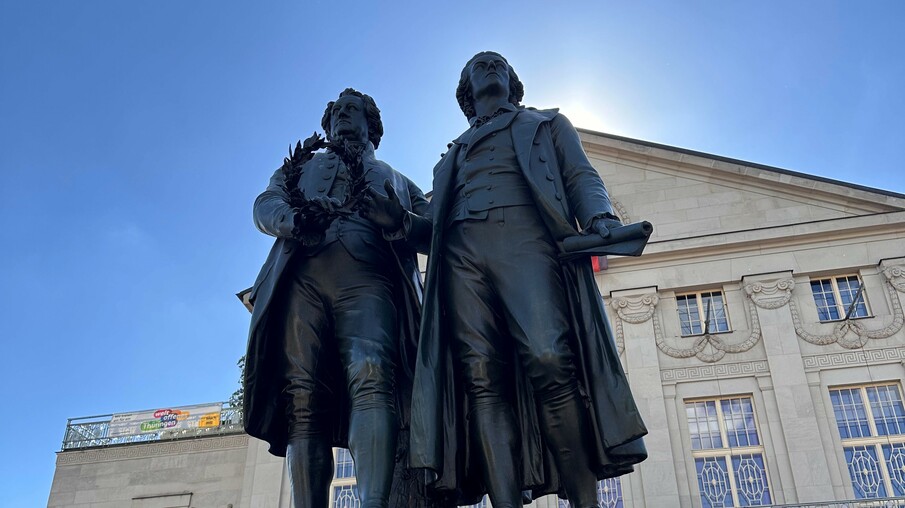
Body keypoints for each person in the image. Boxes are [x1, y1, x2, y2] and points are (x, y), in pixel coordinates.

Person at [409, 52, 648, 508]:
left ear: (513, 81)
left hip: (525, 238)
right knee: (481, 379)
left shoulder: (547, 123)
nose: (490, 66)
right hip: (461, 255)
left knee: (550, 359)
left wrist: (598, 216)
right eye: (480, 65)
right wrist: (399, 223)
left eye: (498, 63)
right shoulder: (451, 155)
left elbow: (581, 174)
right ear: (466, 90)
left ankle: (583, 501)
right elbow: (430, 228)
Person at [243, 88, 430, 508]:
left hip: (369, 279)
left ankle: (373, 503)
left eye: (354, 110)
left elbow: (437, 230)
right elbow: (265, 203)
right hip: (302, 280)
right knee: (302, 398)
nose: (344, 116)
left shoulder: (396, 179)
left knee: (372, 375)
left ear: (372, 126)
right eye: (338, 111)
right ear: (327, 124)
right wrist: (291, 219)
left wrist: (401, 220)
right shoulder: (298, 169)